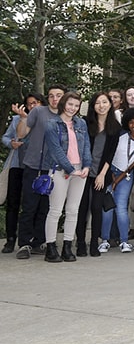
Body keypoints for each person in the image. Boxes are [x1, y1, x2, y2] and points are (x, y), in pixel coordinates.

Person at [12, 84, 67, 259]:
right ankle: (25, 244)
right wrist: (22, 118)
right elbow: (21, 134)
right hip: (34, 166)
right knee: (29, 206)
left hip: (55, 169)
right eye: (51, 95)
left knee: (47, 208)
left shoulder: (68, 115)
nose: (55, 99)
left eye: (59, 95)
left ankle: (40, 241)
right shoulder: (38, 112)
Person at [43, 92, 91, 262]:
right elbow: (56, 151)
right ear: (63, 104)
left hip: (80, 171)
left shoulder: (81, 123)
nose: (73, 108)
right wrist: (70, 169)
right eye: (70, 104)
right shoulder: (51, 124)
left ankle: (67, 247)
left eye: (76, 105)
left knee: (73, 210)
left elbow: (85, 146)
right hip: (59, 170)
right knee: (55, 210)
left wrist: (86, 166)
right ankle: (50, 247)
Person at [99, 107, 134, 254]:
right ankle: (104, 241)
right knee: (107, 207)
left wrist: (118, 180)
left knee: (121, 208)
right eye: (131, 122)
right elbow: (109, 155)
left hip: (125, 176)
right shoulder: (120, 135)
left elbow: (132, 165)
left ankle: (124, 241)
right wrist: (111, 177)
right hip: (109, 172)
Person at [77, 92, 120, 258]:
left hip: (101, 174)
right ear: (93, 106)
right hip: (83, 172)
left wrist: (102, 174)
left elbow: (110, 154)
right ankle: (80, 242)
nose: (101, 106)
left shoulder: (115, 127)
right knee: (82, 208)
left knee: (96, 208)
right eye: (97, 103)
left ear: (110, 104)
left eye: (104, 102)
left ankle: (94, 242)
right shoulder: (85, 123)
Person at [2, 93, 44, 254]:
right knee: (13, 203)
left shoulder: (44, 120)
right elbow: (5, 138)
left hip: (34, 167)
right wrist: (11, 143)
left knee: (32, 204)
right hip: (16, 166)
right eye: (29, 103)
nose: (32, 106)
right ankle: (11, 239)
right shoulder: (16, 119)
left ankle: (32, 239)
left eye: (36, 103)